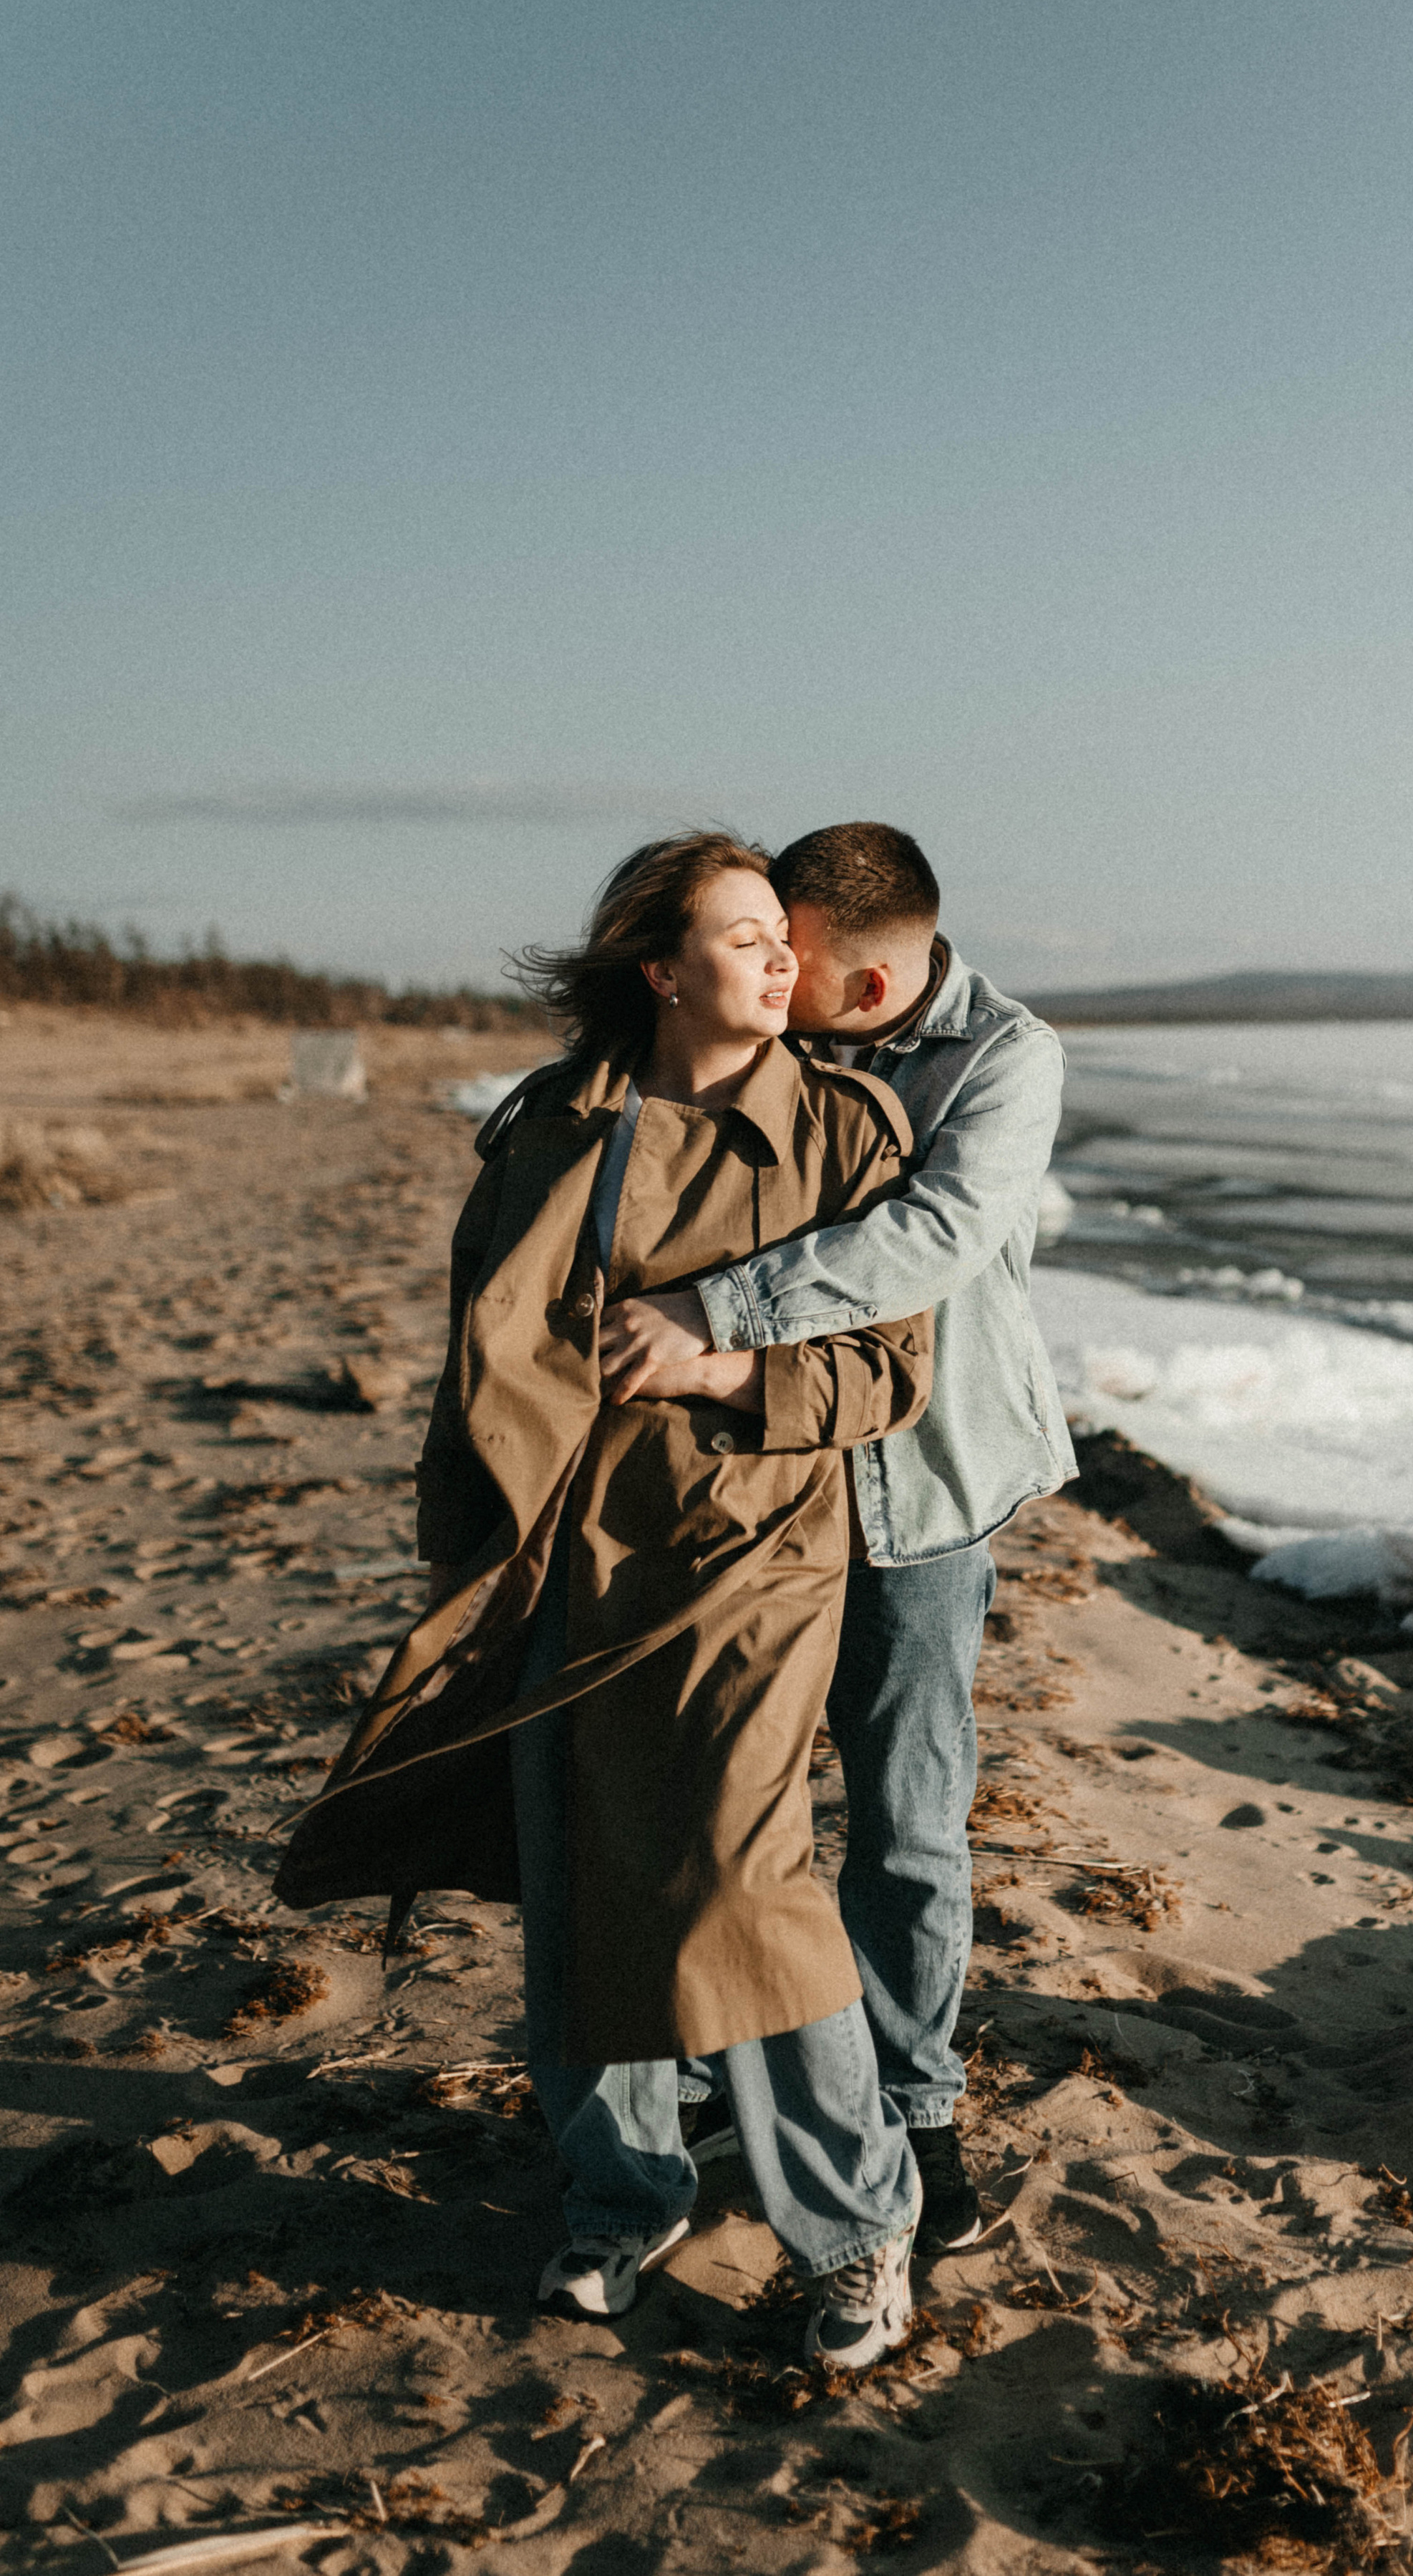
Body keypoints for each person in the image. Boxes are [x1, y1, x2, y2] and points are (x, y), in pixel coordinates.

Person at [276, 831, 936, 2372]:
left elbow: (892, 1370)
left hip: (751, 1559)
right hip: (560, 1553)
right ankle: (618, 2198)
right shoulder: (553, 1127)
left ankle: (854, 2227)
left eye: (784, 938)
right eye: (748, 937)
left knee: (737, 1881)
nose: (785, 965)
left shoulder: (847, 1133)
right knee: (578, 1873)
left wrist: (718, 1365)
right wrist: (458, 1550)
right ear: (658, 969)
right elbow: (469, 1358)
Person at [598, 822, 1076, 2252]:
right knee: (717, 1798)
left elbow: (929, 1232)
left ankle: (915, 2108)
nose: (763, 970)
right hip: (748, 1480)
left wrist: (717, 1316)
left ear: (863, 990)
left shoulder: (1004, 1059)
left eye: (785, 957)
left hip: (920, 1488)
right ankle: (697, 2076)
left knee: (906, 1819)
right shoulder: (757, 1035)